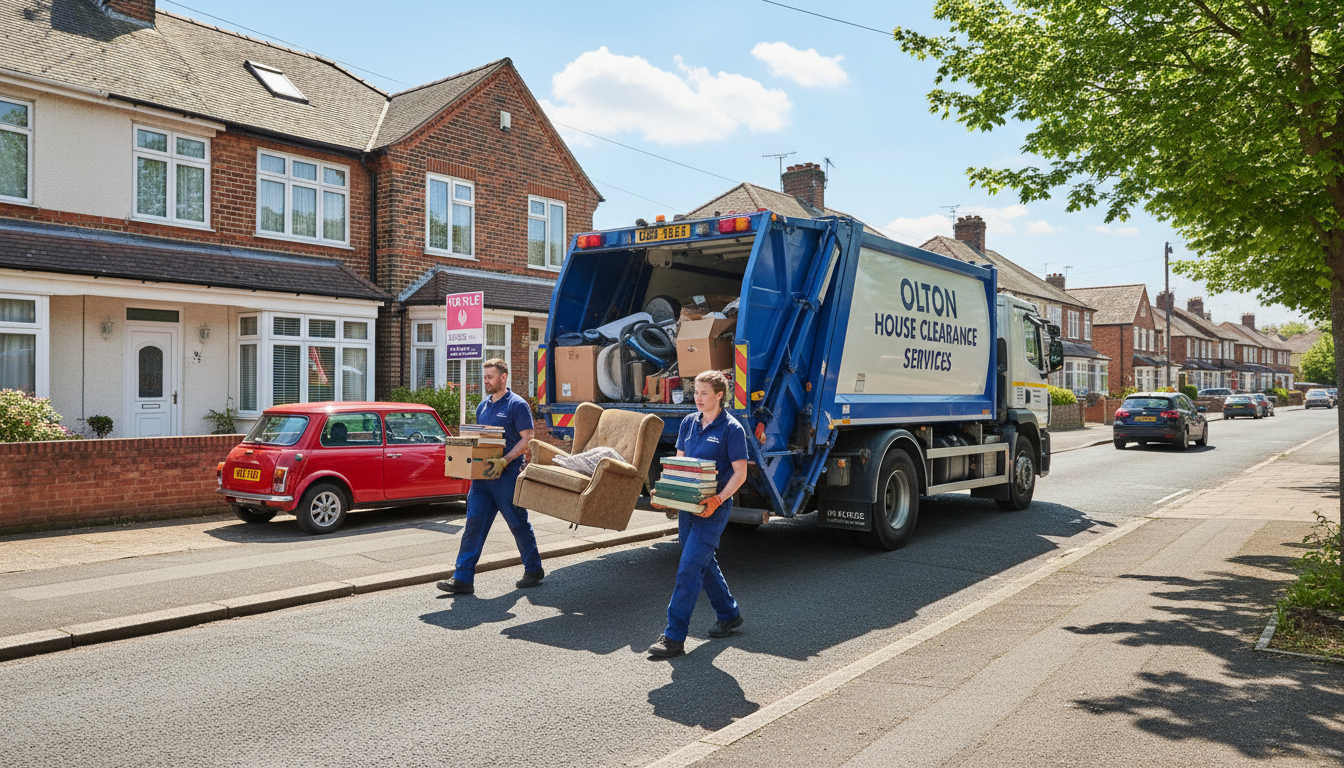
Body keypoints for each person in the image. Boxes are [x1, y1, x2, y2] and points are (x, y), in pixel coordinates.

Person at [647, 370, 749, 658]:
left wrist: (718, 499)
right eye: (696, 392)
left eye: (704, 392)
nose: (698, 398)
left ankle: (674, 636)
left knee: (689, 567)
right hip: (688, 508)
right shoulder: (689, 423)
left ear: (719, 395)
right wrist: (667, 494)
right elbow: (680, 466)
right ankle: (729, 614)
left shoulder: (732, 429)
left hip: (712, 510)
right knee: (701, 561)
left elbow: (740, 473)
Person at [438, 359, 545, 595]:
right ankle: (463, 577)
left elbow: (527, 437)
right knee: (473, 523)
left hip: (507, 474)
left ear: (503, 377)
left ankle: (534, 568)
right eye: (485, 376)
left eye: (490, 377)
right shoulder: (482, 407)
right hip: (483, 478)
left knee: (517, 522)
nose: (486, 381)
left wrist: (505, 460)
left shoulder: (517, 405)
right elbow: (481, 442)